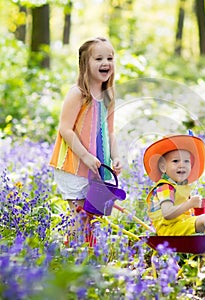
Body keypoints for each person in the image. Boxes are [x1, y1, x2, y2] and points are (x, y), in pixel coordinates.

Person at [49, 37, 122, 241]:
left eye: (110, 58)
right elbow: (65, 129)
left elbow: (110, 132)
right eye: (98, 58)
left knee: (93, 219)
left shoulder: (108, 95)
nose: (105, 63)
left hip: (97, 167)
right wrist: (86, 156)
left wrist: (115, 157)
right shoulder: (78, 93)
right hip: (74, 164)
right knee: (79, 217)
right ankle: (70, 258)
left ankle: (87, 260)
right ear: (85, 64)